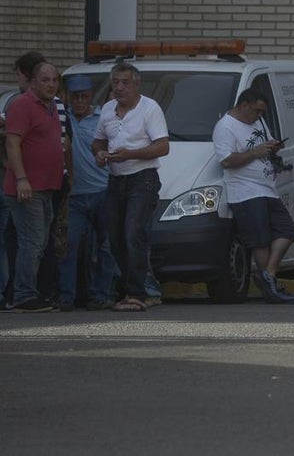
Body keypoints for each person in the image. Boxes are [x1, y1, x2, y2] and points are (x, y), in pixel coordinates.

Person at [93, 62, 170, 312]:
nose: (119, 87)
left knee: (132, 234)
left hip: (142, 178)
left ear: (137, 84)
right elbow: (97, 141)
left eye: (125, 82)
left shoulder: (150, 108)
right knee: (114, 238)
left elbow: (162, 147)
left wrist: (131, 154)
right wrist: (100, 153)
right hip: (116, 179)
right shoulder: (107, 109)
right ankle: (132, 288)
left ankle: (136, 293)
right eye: (115, 82)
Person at [212, 87, 294, 305]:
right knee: (260, 241)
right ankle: (270, 286)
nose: (259, 116)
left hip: (267, 187)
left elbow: (265, 146)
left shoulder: (257, 122)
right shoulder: (225, 127)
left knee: (287, 231)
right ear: (243, 105)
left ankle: (268, 275)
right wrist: (255, 152)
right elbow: (226, 161)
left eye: (262, 112)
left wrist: (273, 147)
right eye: (257, 111)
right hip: (244, 191)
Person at [2, 62, 66, 312]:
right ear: (33, 82)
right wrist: (21, 178)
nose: (51, 84)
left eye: (54, 80)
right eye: (45, 80)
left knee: (38, 243)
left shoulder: (50, 106)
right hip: (26, 188)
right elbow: (12, 144)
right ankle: (24, 296)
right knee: (31, 242)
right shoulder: (22, 105)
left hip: (46, 188)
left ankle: (28, 292)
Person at [56, 76, 117, 311]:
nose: (80, 101)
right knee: (68, 247)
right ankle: (66, 297)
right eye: (75, 97)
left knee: (106, 247)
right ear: (68, 97)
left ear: (91, 96)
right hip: (75, 196)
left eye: (84, 96)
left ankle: (101, 295)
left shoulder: (103, 118)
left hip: (103, 191)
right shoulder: (63, 119)